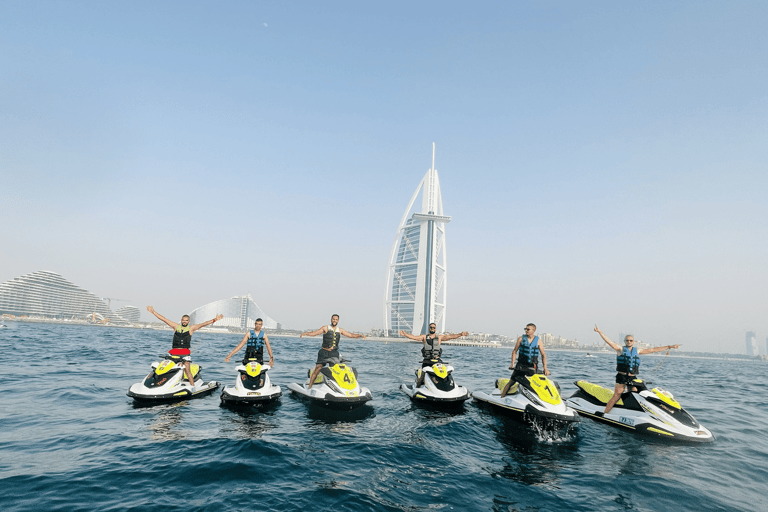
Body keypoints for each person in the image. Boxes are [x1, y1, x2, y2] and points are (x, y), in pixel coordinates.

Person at [594, 325, 680, 414]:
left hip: (632, 377)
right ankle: (604, 413)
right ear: (625, 341)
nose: (629, 342)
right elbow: (609, 342)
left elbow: (653, 349)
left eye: (631, 340)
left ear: (633, 342)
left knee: (635, 394)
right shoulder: (620, 349)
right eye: (627, 340)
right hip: (622, 376)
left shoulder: (637, 350)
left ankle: (630, 412)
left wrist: (669, 346)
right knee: (617, 395)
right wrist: (600, 332)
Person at [146, 306, 223, 388]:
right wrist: (153, 312)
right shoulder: (175, 326)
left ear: (188, 321)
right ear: (181, 320)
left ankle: (192, 387)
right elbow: (164, 319)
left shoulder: (191, 328)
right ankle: (163, 385)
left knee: (187, 371)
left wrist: (215, 319)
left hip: (185, 354)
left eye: (186, 320)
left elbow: (203, 324)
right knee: (166, 369)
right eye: (183, 320)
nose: (185, 322)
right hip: (174, 353)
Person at [299, 314, 366, 389]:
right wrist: (306, 333)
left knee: (336, 370)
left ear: (338, 321)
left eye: (336, 319)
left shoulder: (340, 330)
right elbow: (316, 333)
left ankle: (338, 388)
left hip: (334, 353)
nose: (335, 321)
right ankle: (309, 387)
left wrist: (359, 335)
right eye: (333, 319)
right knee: (317, 369)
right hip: (324, 352)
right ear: (331, 320)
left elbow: (350, 335)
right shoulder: (325, 328)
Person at [399, 323, 468, 386]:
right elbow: (414, 337)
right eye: (431, 327)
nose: (432, 329)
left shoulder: (439, 338)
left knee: (445, 373)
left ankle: (449, 385)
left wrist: (460, 334)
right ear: (429, 328)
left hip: (437, 361)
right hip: (427, 361)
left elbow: (450, 336)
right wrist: (405, 334)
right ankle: (418, 387)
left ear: (435, 329)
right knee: (423, 374)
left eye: (434, 327)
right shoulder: (424, 337)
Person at [500, 323, 550, 397]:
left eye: (528, 329)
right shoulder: (520, 339)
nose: (526, 330)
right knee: (511, 382)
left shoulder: (538, 341)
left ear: (534, 330)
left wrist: (545, 368)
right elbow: (514, 351)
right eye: (525, 329)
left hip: (532, 366)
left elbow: (543, 355)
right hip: (520, 365)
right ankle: (502, 397)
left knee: (534, 385)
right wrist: (512, 364)